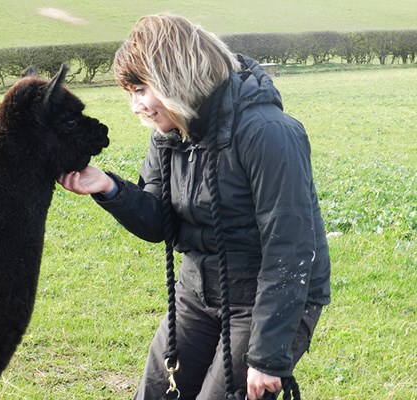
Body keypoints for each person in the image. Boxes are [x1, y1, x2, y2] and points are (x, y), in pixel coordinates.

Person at [58, 14, 331, 400]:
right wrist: (108, 187)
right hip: (196, 292)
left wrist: (267, 357)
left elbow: (290, 248)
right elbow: (159, 221)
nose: (136, 105)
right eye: (130, 92)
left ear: (175, 78)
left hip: (263, 301)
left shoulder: (268, 133)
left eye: (140, 89)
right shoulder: (171, 133)